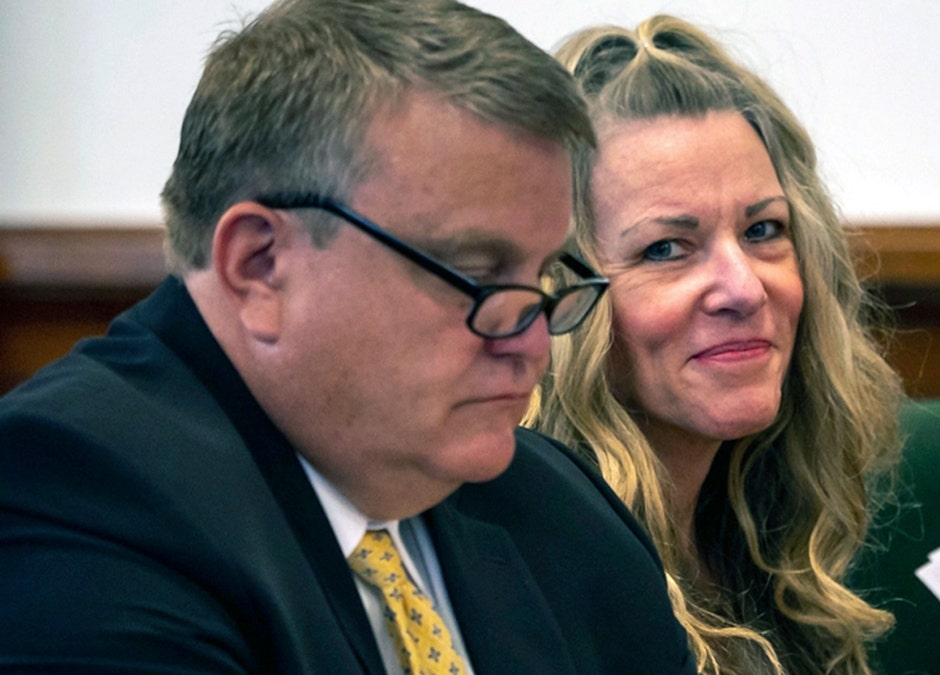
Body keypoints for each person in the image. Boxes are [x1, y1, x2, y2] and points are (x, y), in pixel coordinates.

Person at [0, 1, 696, 673]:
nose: (532, 342)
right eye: (478, 277)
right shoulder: (71, 489)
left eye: (543, 278)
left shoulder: (559, 505)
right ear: (259, 266)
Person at [523, 14, 905, 675]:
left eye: (763, 230)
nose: (744, 288)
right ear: (561, 293)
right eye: (666, 248)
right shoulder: (533, 579)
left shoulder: (759, 536)